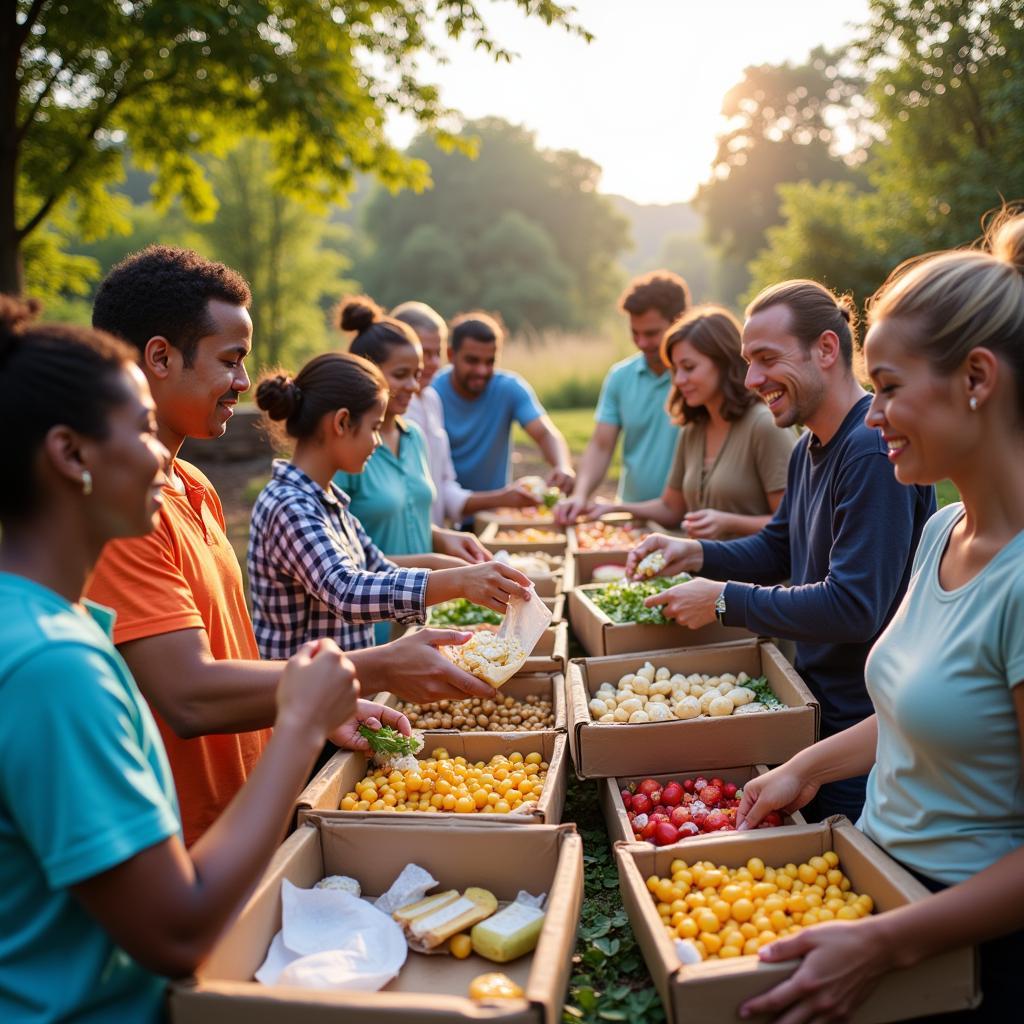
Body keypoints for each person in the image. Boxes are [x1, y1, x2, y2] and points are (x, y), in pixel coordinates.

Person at [0, 296, 359, 1021]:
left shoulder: (50, 623)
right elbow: (175, 929)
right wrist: (297, 725)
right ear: (71, 454)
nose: (163, 453)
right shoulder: (51, 665)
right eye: (139, 429)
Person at [85, 247, 495, 846]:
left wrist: (322, 707)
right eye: (231, 361)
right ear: (160, 357)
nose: (244, 384)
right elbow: (188, 696)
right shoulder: (122, 514)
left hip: (247, 810)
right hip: (184, 839)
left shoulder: (194, 486)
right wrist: (372, 668)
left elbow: (230, 653)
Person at [734, 213, 1024, 1023]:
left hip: (964, 950)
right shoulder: (940, 532)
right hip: (880, 888)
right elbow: (922, 710)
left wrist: (888, 944)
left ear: (976, 378)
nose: (871, 417)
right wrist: (809, 766)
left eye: (889, 389)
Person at [627, 279, 936, 822]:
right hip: (813, 710)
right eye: (747, 362)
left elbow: (854, 606)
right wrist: (694, 553)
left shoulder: (867, 451)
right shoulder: (809, 449)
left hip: (866, 732)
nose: (752, 379)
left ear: (826, 349)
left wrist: (724, 600)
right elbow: (778, 548)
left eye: (767, 358)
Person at [248, 350, 532, 659]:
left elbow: (381, 569)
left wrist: (477, 574)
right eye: (374, 427)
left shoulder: (331, 505)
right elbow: (348, 591)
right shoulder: (289, 505)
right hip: (301, 698)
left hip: (338, 693)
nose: (378, 441)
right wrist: (462, 581)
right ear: (342, 423)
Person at [585, 304, 796, 538]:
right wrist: (612, 508)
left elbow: (793, 522)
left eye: (689, 367)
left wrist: (730, 523)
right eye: (675, 370)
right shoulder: (693, 429)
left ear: (724, 363)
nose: (679, 380)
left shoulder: (764, 426)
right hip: (701, 570)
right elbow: (671, 508)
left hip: (757, 575)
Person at [333, 297, 494, 564]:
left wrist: (443, 538)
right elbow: (342, 562)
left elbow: (407, 521)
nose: (412, 385)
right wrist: (435, 566)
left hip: (421, 602)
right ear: (367, 371)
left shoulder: (413, 437)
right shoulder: (344, 445)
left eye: (416, 375)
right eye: (400, 374)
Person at [555, 270, 690, 525]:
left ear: (679, 321)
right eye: (634, 333)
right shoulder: (620, 376)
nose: (641, 342)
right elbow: (601, 445)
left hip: (690, 522)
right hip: (633, 517)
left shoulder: (697, 379)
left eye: (651, 333)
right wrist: (581, 495)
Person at [394, 300, 541, 526]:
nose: (432, 363)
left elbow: (443, 488)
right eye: (424, 353)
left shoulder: (431, 400)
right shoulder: (392, 409)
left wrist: (504, 498)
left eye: (436, 353)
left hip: (432, 535)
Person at [431, 311, 575, 503]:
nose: (481, 371)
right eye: (472, 361)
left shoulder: (509, 388)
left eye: (490, 362)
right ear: (451, 355)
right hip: (445, 511)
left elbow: (544, 433)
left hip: (494, 511)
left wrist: (562, 465)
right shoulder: (433, 392)